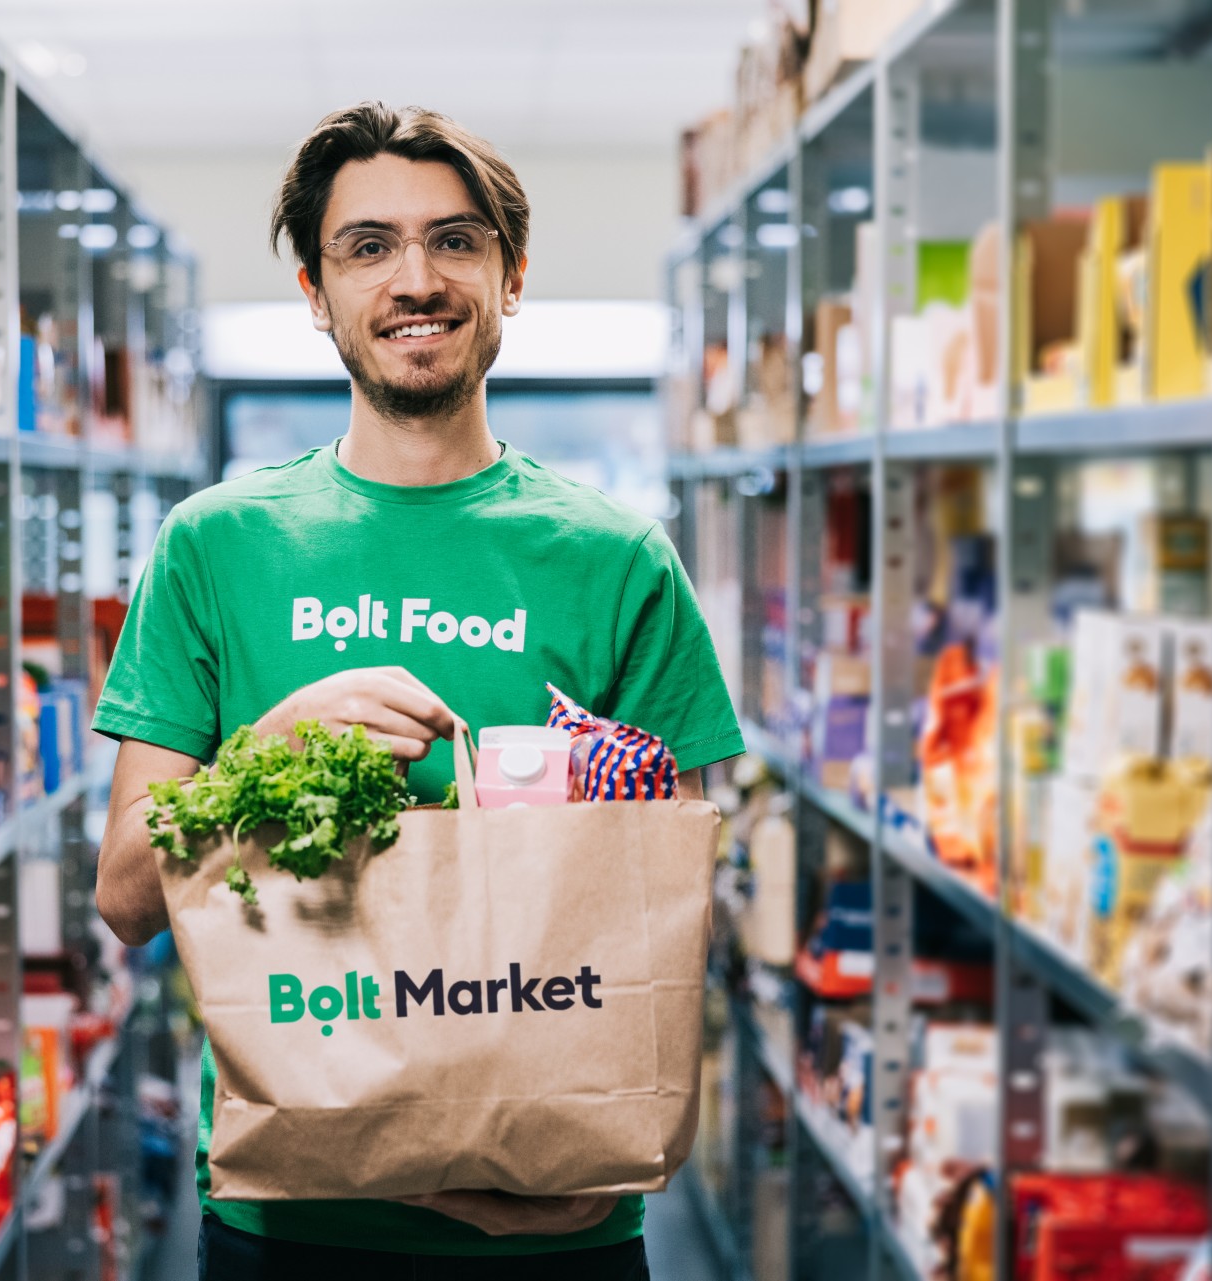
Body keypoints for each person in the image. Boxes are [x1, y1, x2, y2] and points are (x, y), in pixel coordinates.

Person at [91, 101, 744, 1280]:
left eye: (456, 241)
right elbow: (128, 894)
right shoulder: (215, 547)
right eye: (368, 246)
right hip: (293, 1212)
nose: (416, 279)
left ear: (511, 277)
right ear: (314, 289)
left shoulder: (616, 558)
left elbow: (668, 905)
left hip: (556, 1215)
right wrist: (267, 753)